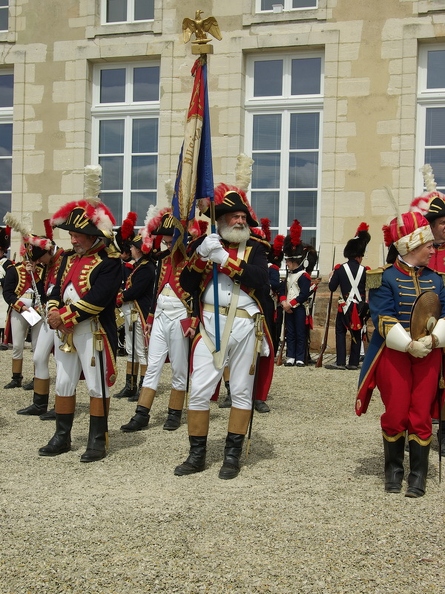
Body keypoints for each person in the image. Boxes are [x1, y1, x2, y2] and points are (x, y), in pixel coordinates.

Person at [174, 183, 274, 480]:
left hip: (245, 325)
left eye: (243, 216)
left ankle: (231, 456)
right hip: (209, 325)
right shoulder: (203, 246)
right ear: (220, 220)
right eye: (234, 216)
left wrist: (225, 261)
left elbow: (261, 280)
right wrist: (202, 257)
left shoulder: (257, 249)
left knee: (242, 391)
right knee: (199, 391)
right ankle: (196, 455)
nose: (240, 221)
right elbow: (188, 284)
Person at [356, 211, 445, 498]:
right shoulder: (380, 277)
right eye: (428, 245)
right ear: (411, 245)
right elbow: (382, 319)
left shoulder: (438, 279)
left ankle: (418, 474)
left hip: (429, 353)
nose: (434, 250)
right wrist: (408, 344)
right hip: (395, 353)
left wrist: (433, 339)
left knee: (420, 413)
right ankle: (393, 469)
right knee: (395, 412)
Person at [39, 165, 122, 462]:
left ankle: (97, 440)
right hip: (64, 331)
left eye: (78, 235)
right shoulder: (65, 260)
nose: (72, 240)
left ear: (93, 236)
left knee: (97, 385)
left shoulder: (110, 263)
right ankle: (62, 437)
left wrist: (66, 316)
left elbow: (99, 300)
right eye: (72, 234)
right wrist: (52, 309)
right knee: (63, 381)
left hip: (93, 331)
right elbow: (54, 289)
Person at [120, 208, 197, 433]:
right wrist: (151, 317)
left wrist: (193, 319)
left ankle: (174, 412)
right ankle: (142, 413)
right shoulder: (162, 261)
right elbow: (157, 290)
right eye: (165, 239)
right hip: (162, 314)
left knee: (179, 367)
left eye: (170, 238)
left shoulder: (192, 259)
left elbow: (197, 292)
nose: (166, 242)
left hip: (181, 314)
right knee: (153, 365)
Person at [17, 223, 65, 418]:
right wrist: (33, 273)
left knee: (62, 363)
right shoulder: (48, 263)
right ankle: (40, 402)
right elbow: (44, 290)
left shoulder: (65, 259)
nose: (41, 263)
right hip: (47, 314)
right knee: (38, 357)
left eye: (41, 259)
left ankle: (62, 403)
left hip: (61, 316)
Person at [2, 234, 49, 389]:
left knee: (37, 345)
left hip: (36, 310)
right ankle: (16, 377)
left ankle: (37, 377)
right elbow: (8, 293)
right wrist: (20, 306)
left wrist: (35, 274)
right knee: (17, 345)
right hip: (20, 309)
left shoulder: (42, 272)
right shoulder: (13, 270)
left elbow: (44, 292)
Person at [114, 233, 155, 400]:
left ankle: (143, 387)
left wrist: (121, 297)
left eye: (132, 247)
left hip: (139, 313)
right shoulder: (139, 266)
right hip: (131, 313)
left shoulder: (147, 268)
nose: (130, 249)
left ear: (139, 249)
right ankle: (130, 386)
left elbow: (137, 290)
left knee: (141, 351)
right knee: (131, 350)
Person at [325, 223, 371, 371]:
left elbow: (332, 287)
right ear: (359, 255)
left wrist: (332, 276)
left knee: (340, 331)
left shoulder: (340, 269)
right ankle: (353, 362)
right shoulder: (365, 270)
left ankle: (340, 362)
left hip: (344, 306)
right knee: (356, 332)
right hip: (359, 307)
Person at [280, 220, 318, 368]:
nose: (286, 264)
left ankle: (300, 357)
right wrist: (284, 302)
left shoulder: (304, 276)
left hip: (299, 308)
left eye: (288, 261)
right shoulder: (289, 275)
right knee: (290, 333)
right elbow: (282, 290)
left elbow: (303, 295)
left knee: (300, 333)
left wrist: (291, 304)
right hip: (288, 308)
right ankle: (290, 356)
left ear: (293, 261)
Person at [0, 225, 13, 349]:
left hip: (2, 295)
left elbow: (9, 280)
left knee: (3, 317)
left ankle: (4, 340)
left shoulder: (7, 264)